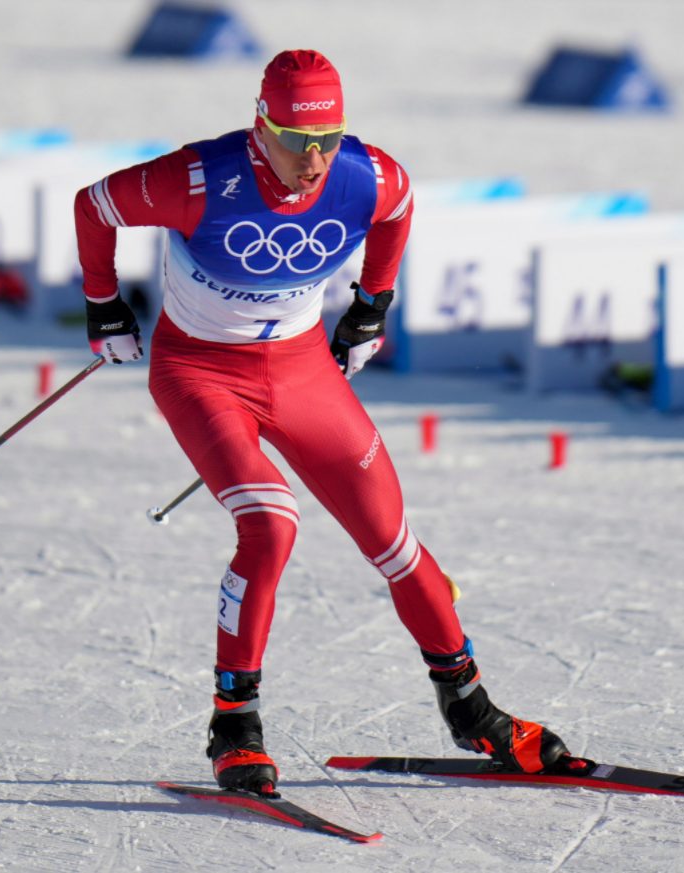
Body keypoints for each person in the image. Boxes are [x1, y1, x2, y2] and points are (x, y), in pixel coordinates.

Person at [74, 49, 571, 795]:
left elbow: (399, 211)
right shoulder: (197, 179)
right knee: (271, 523)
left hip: (300, 368)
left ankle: (472, 708)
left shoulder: (365, 175)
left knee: (393, 538)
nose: (312, 160)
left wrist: (372, 304)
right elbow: (95, 205)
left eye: (328, 138)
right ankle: (234, 724)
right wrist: (103, 302)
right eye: (296, 141)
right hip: (201, 373)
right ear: (260, 124)